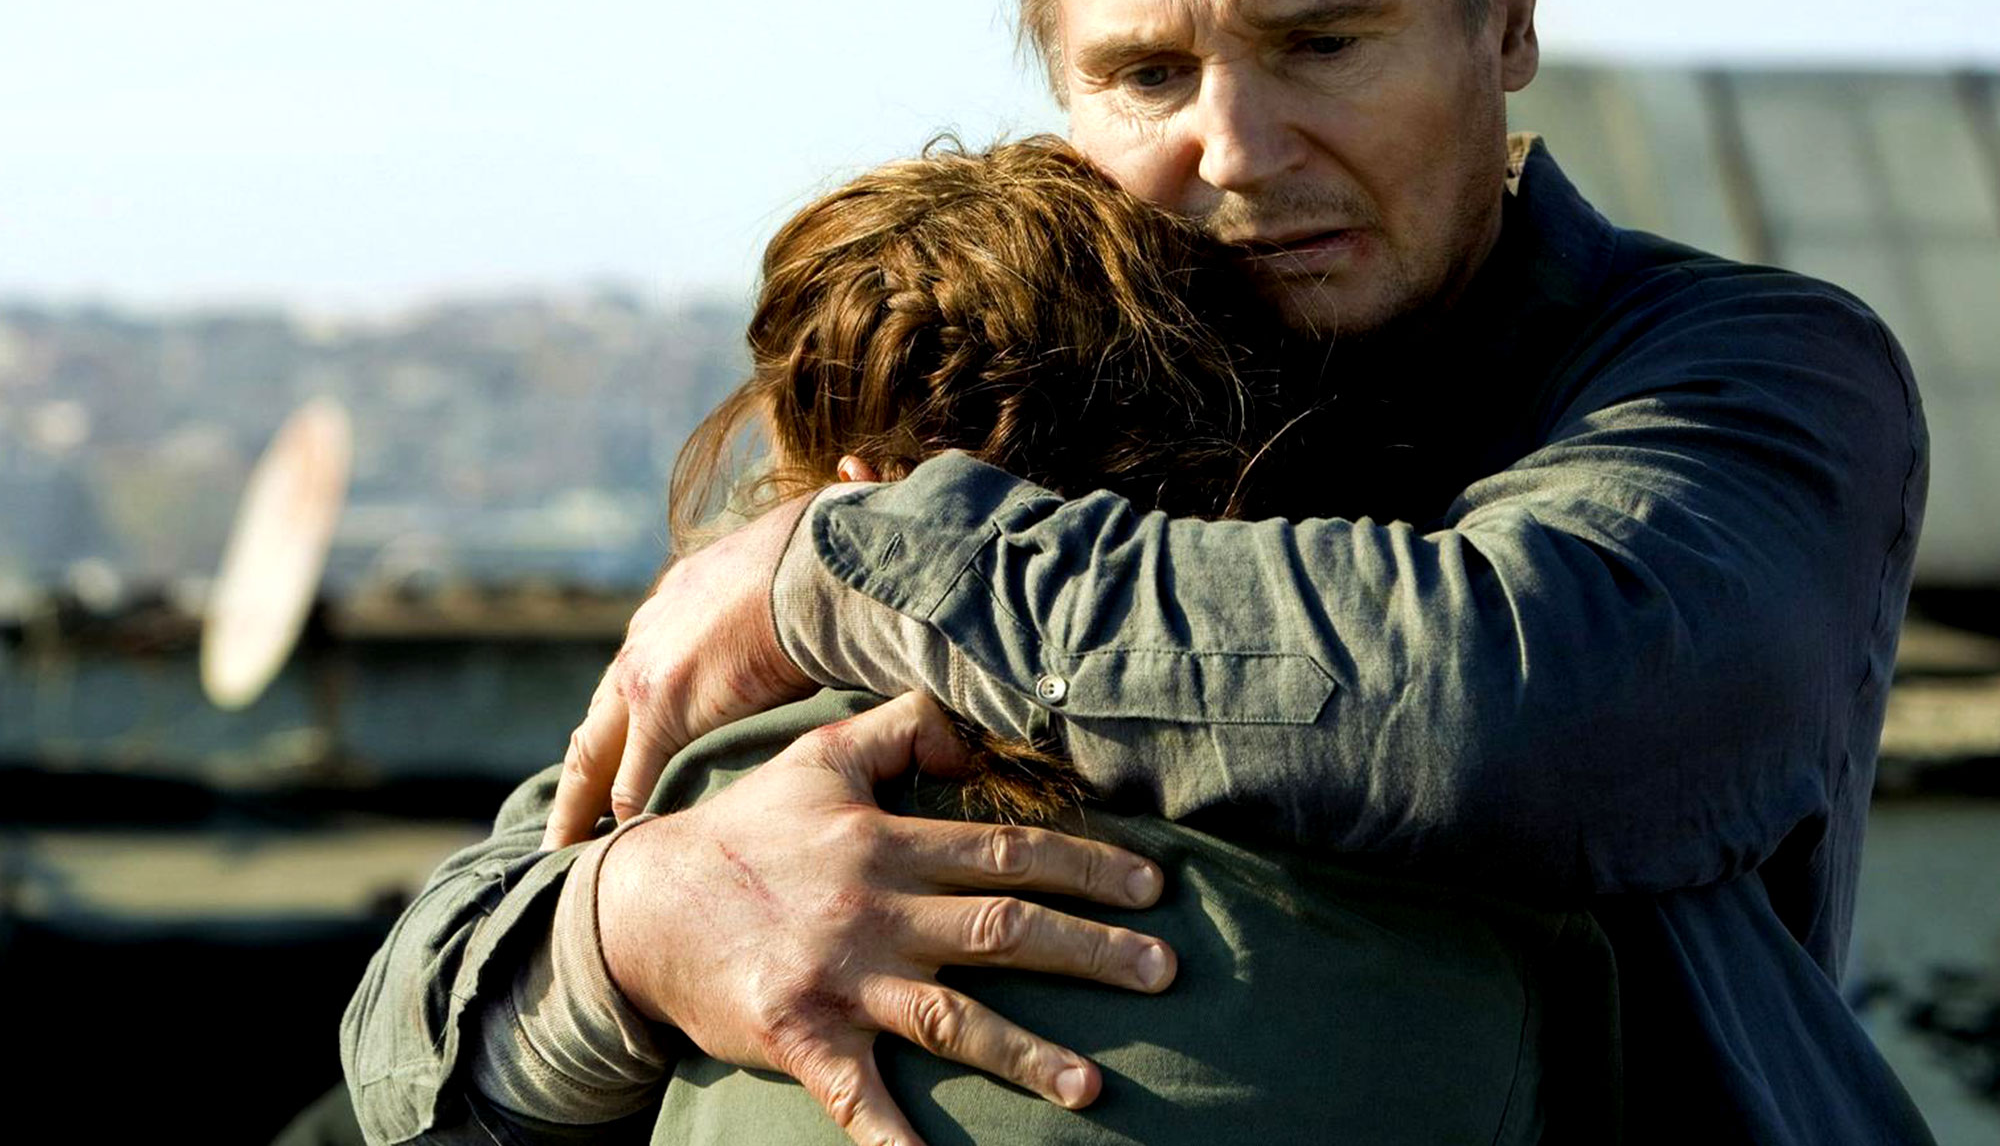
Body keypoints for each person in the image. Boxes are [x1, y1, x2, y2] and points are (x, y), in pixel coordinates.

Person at [351, 0, 1935, 1143]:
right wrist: (636, 927)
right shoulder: (1009, 402)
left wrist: (857, 575)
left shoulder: (1741, 373)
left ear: (1508, 5)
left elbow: (1523, 705)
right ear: (1063, 81)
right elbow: (423, 1012)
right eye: (1148, 75)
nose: (1234, 149)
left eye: (1323, 43)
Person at [346, 138, 1617, 1144]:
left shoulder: (705, 780)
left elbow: (397, 1068)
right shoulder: (1487, 862)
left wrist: (622, 922)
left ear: (849, 500)